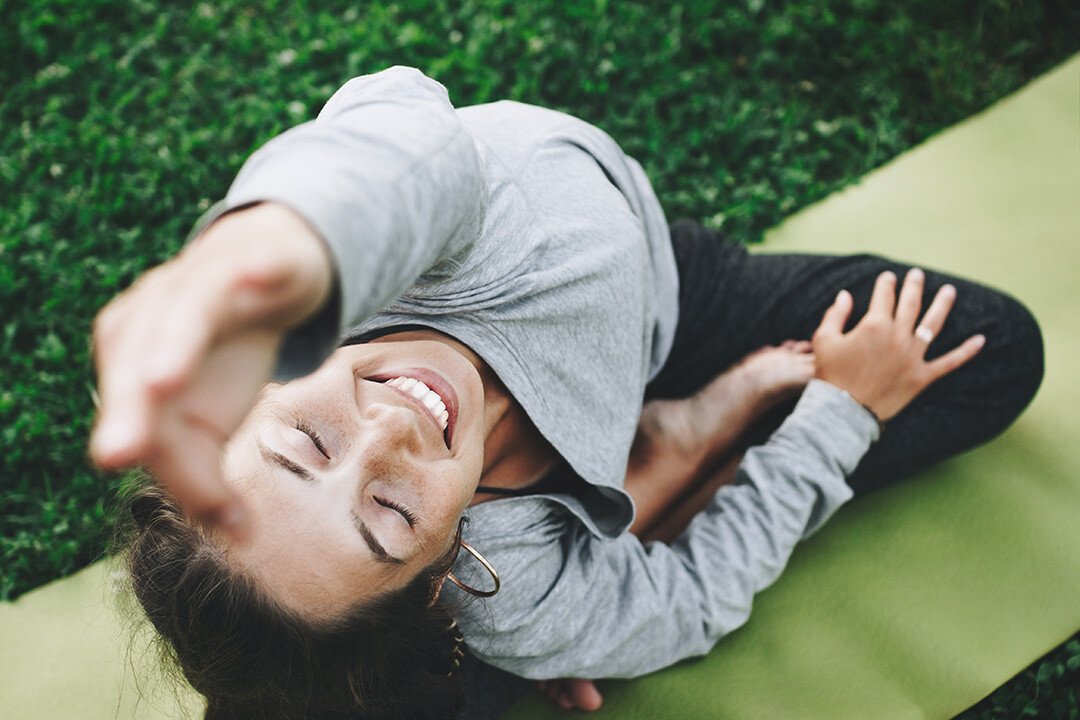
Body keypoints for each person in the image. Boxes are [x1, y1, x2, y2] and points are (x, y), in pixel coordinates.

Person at [90, 67, 1043, 719]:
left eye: (307, 442)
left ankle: (648, 474)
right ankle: (647, 484)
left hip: (664, 315)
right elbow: (694, 601)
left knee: (992, 350)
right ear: (439, 576)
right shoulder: (505, 585)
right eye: (384, 514)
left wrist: (275, 242)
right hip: (520, 576)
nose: (388, 430)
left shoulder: (372, 267)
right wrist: (840, 413)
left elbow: (401, 135)